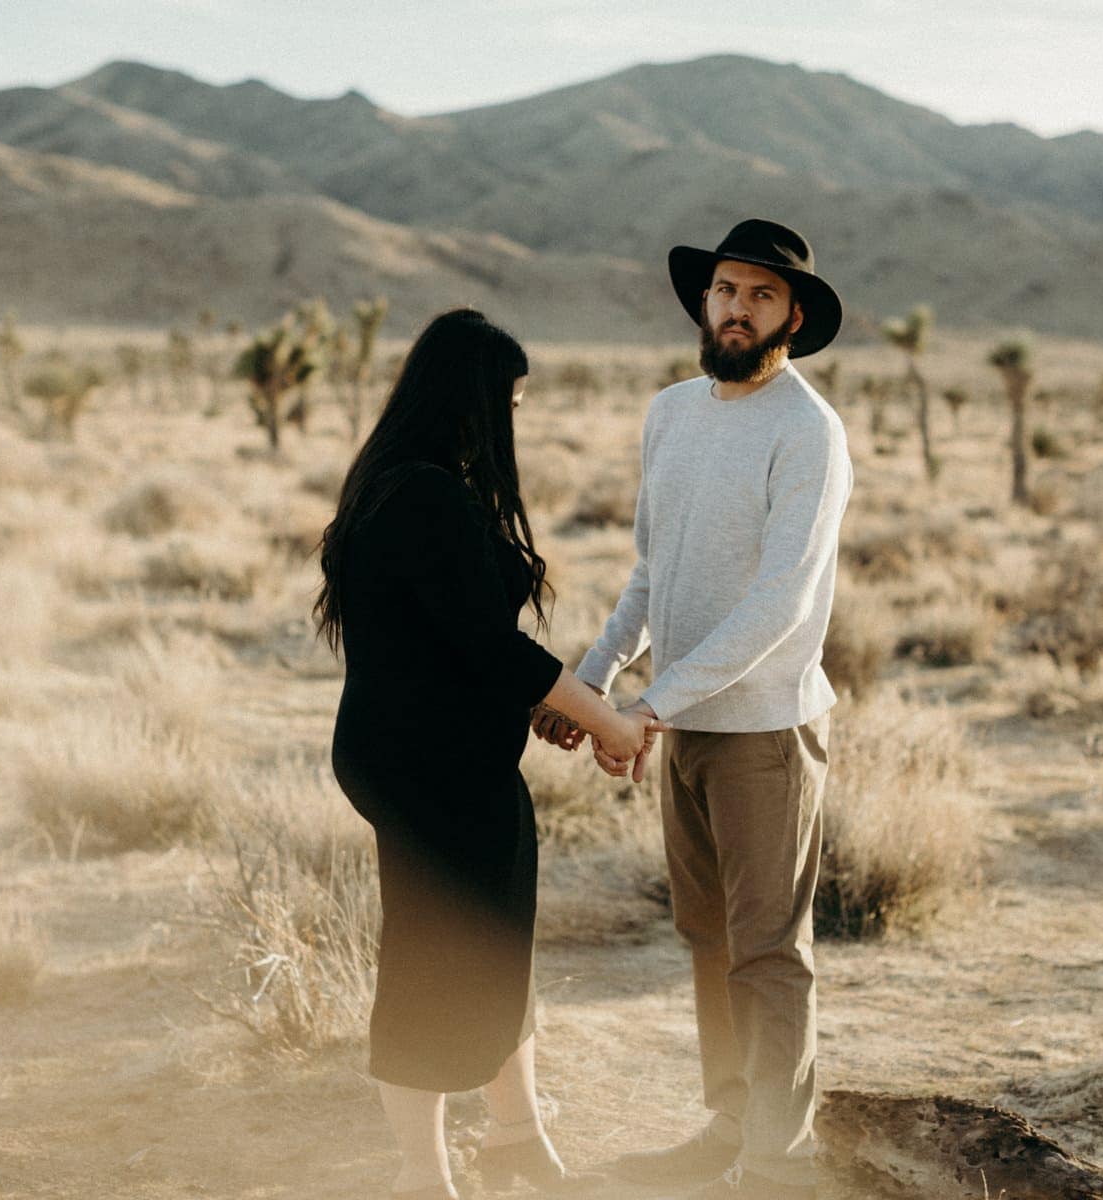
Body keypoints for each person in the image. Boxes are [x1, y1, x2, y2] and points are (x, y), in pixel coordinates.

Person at [532, 219, 852, 1200]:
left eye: (760, 295)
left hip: (765, 730)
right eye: (724, 290)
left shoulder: (808, 431)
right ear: (703, 302)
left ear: (793, 315)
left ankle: (776, 1160)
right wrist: (590, 686)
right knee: (708, 938)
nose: (736, 309)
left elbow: (779, 602)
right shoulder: (670, 413)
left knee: (768, 951)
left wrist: (649, 705)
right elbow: (650, 574)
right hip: (679, 730)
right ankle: (727, 1126)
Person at [317, 307, 664, 1200]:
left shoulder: (402, 479)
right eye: (508, 402)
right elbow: (491, 647)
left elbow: (470, 645)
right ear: (468, 403)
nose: (514, 420)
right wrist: (608, 721)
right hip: (426, 766)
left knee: (495, 941)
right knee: (436, 956)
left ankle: (518, 1138)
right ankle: (422, 1179)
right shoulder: (424, 493)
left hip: (436, 756)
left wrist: (569, 708)